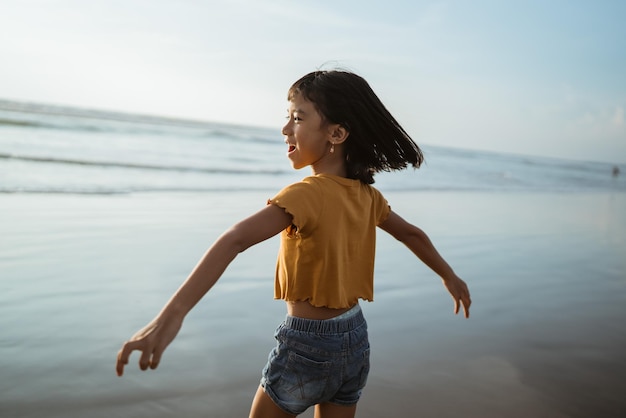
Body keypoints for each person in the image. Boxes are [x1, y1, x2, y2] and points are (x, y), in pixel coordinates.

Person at [115, 70, 471, 418]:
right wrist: (449, 276)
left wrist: (171, 316)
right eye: (287, 117)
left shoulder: (305, 194)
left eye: (298, 118)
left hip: (307, 347)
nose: (286, 128)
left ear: (336, 133)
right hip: (356, 340)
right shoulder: (368, 197)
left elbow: (234, 239)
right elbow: (412, 234)